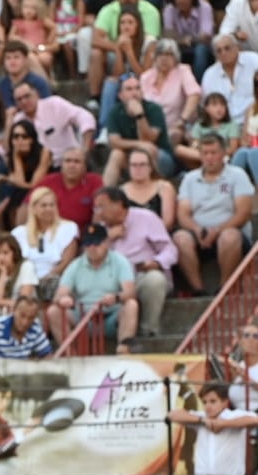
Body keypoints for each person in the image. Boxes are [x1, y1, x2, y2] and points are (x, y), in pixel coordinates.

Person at [172, 134, 254, 297]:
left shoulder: (237, 175)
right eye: (205, 153)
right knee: (180, 237)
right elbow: (183, 213)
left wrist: (217, 230)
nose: (209, 158)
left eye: (214, 153)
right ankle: (198, 290)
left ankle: (225, 288)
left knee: (229, 236)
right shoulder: (190, 179)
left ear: (223, 153)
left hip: (231, 233)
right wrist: (196, 230)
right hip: (199, 234)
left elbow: (243, 213)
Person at [92, 186, 177, 337]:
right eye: (96, 207)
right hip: (112, 282)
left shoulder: (146, 217)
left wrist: (155, 263)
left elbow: (170, 250)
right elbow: (88, 261)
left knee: (155, 279)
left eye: (101, 207)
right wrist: (107, 238)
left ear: (118, 205)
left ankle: (148, 331)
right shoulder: (99, 229)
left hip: (140, 276)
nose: (97, 212)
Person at [46, 223, 139, 353]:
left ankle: (123, 349)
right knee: (53, 311)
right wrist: (63, 299)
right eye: (88, 244)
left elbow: (130, 292)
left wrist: (116, 297)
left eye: (96, 243)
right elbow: (59, 294)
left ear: (106, 243)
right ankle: (70, 354)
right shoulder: (76, 265)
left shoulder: (120, 261)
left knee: (131, 305)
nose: (92, 248)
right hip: (83, 318)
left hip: (110, 317)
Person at [166, 381, 258, 475]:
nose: (208, 406)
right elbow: (172, 415)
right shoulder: (201, 417)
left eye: (213, 401)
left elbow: (255, 420)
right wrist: (202, 420)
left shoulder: (233, 416)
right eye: (204, 402)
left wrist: (223, 424)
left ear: (225, 402)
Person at [104, 72, 175, 185]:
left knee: (147, 150)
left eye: (137, 88)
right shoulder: (115, 112)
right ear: (120, 95)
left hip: (161, 158)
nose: (134, 93)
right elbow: (114, 141)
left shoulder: (154, 109)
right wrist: (138, 144)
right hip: (132, 158)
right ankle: (106, 194)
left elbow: (149, 139)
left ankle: (153, 190)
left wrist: (140, 116)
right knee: (116, 154)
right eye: (129, 89)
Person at [11, 80, 96, 161]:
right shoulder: (18, 120)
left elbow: (84, 117)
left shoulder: (54, 105)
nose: (24, 102)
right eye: (19, 99)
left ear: (37, 94)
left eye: (27, 96)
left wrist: (85, 147)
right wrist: (8, 121)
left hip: (66, 161)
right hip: (38, 167)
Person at [33, 147, 104, 236]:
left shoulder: (94, 181)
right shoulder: (48, 181)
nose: (72, 165)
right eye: (68, 161)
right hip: (50, 234)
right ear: (61, 165)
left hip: (83, 237)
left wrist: (91, 237)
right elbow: (28, 205)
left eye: (77, 161)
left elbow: (100, 210)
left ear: (85, 167)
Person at [0, 295, 52, 359]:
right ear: (13, 311)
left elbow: (47, 357)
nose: (25, 322)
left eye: (31, 318)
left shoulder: (36, 328)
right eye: (22, 315)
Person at [201, 34, 258, 126]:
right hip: (224, 125)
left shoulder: (254, 60)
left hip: (253, 121)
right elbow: (207, 104)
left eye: (227, 48)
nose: (223, 53)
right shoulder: (209, 74)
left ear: (237, 47)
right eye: (219, 50)